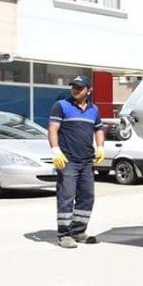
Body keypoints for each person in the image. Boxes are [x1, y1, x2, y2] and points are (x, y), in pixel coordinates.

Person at [48, 76, 105, 248]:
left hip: (87, 161)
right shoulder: (61, 106)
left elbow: (99, 129)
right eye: (73, 87)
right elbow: (52, 129)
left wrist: (101, 147)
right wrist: (55, 151)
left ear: (89, 90)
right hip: (68, 161)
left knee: (87, 197)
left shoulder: (94, 109)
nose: (75, 90)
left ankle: (79, 232)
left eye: (79, 88)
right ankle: (64, 235)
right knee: (66, 197)